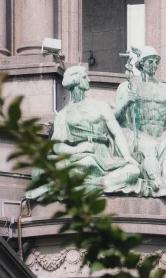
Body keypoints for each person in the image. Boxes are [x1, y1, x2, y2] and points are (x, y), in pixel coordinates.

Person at [26, 65, 141, 199]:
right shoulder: (63, 114)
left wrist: (127, 156)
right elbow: (57, 146)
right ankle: (89, 184)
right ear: (76, 81)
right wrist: (78, 150)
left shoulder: (100, 106)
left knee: (133, 171)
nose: (89, 80)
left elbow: (117, 134)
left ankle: (86, 185)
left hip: (102, 156)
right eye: (85, 77)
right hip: (79, 156)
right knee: (82, 163)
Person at [113, 46, 166, 197]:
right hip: (139, 136)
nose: (154, 65)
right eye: (151, 61)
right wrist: (126, 102)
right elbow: (116, 118)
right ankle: (158, 186)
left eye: (156, 62)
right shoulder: (127, 87)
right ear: (141, 63)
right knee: (151, 149)